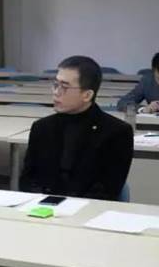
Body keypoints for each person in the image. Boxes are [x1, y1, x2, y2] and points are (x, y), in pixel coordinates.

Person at [20, 56, 133, 200]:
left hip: (89, 209)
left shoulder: (117, 132)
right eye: (55, 85)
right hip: (42, 207)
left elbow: (107, 190)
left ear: (87, 95)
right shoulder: (42, 127)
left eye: (64, 87)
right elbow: (27, 181)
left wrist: (65, 207)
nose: (56, 92)